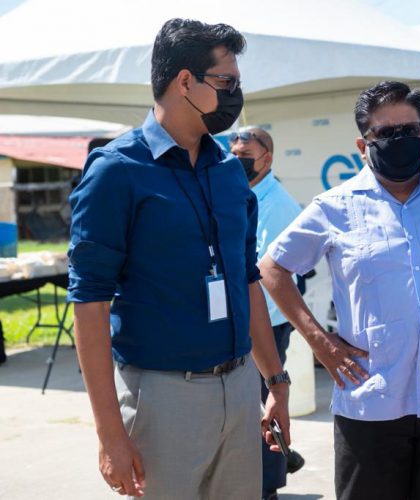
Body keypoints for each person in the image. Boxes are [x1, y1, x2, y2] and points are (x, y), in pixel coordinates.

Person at [68, 19, 290, 499]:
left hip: (239, 388)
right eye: (226, 81)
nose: (236, 95)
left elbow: (246, 279)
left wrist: (275, 380)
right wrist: (110, 435)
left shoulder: (231, 173)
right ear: (184, 81)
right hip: (162, 399)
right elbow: (89, 304)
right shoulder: (116, 172)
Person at [259, 81, 420, 500]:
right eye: (384, 134)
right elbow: (272, 269)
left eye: (408, 132)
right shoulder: (334, 206)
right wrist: (321, 343)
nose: (399, 142)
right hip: (370, 407)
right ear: (363, 144)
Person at [229, 127, 304, 500]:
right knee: (251, 407)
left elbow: (267, 273)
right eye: (235, 153)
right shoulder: (244, 195)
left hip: (268, 322)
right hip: (247, 321)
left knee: (267, 404)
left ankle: (270, 483)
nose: (238, 160)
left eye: (245, 156)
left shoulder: (277, 205)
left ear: (267, 159)